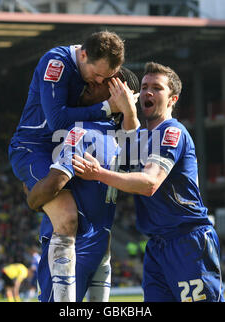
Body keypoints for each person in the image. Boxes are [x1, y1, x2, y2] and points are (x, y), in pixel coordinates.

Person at [73, 62, 225, 302]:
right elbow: (128, 138)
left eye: (157, 88)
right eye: (144, 87)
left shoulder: (172, 132)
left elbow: (150, 183)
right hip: (156, 247)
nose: (148, 92)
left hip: (187, 241)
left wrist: (98, 173)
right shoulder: (145, 137)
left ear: (173, 99)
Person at [8, 31, 125, 302]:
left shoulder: (90, 69)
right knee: (67, 216)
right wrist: (107, 108)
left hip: (63, 149)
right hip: (33, 148)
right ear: (83, 55)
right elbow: (58, 120)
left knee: (87, 224)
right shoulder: (56, 63)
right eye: (97, 75)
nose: (99, 82)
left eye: (106, 78)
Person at [24, 67, 140, 302]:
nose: (90, 82)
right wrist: (129, 110)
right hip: (100, 245)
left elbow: (56, 183)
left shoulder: (82, 131)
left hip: (70, 247)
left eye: (102, 82)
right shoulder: (125, 142)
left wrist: (32, 198)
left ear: (116, 94)